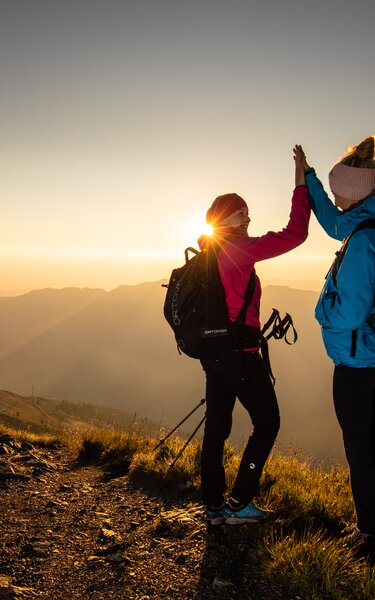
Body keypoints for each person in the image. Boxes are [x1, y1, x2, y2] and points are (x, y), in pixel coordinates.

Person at [200, 148, 311, 525]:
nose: (248, 217)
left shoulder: (206, 255)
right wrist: (301, 182)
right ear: (223, 219)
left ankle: (213, 506)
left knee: (216, 426)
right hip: (240, 352)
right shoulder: (238, 249)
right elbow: (294, 234)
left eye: (247, 211)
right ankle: (239, 504)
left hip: (212, 351)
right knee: (267, 422)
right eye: (240, 212)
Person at [298, 137, 375, 553]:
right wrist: (308, 178)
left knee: (361, 449)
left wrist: (320, 310)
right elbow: (332, 221)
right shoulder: (365, 222)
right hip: (367, 357)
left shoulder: (364, 241)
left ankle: (369, 532)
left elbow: (347, 314)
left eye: (339, 189)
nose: (337, 198)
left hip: (362, 363)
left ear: (357, 190)